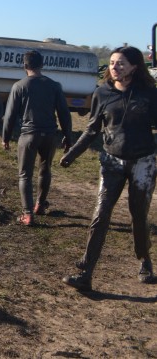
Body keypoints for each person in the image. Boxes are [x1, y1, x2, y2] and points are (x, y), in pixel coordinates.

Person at [59, 46, 157, 292]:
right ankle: (86, 273)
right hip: (111, 161)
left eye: (121, 63)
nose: (115, 67)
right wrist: (72, 154)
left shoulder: (149, 93)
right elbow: (92, 129)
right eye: (112, 63)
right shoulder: (102, 93)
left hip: (143, 161)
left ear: (135, 66)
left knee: (138, 215)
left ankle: (145, 261)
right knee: (100, 215)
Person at [1, 50, 73, 226]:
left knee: (25, 175)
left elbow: (9, 115)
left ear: (24, 66)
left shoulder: (19, 86)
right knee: (45, 169)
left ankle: (27, 214)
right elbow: (64, 113)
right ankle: (40, 205)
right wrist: (68, 136)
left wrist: (6, 137)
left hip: (28, 136)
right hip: (49, 135)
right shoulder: (55, 85)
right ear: (42, 65)